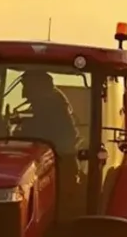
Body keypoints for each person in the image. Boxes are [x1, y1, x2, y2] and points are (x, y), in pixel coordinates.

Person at [16, 70, 86, 219]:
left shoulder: (51, 105)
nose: (24, 90)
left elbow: (42, 130)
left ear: (37, 87)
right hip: (52, 158)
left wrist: (20, 129)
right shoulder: (48, 103)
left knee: (61, 208)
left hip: (59, 161)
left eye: (26, 85)